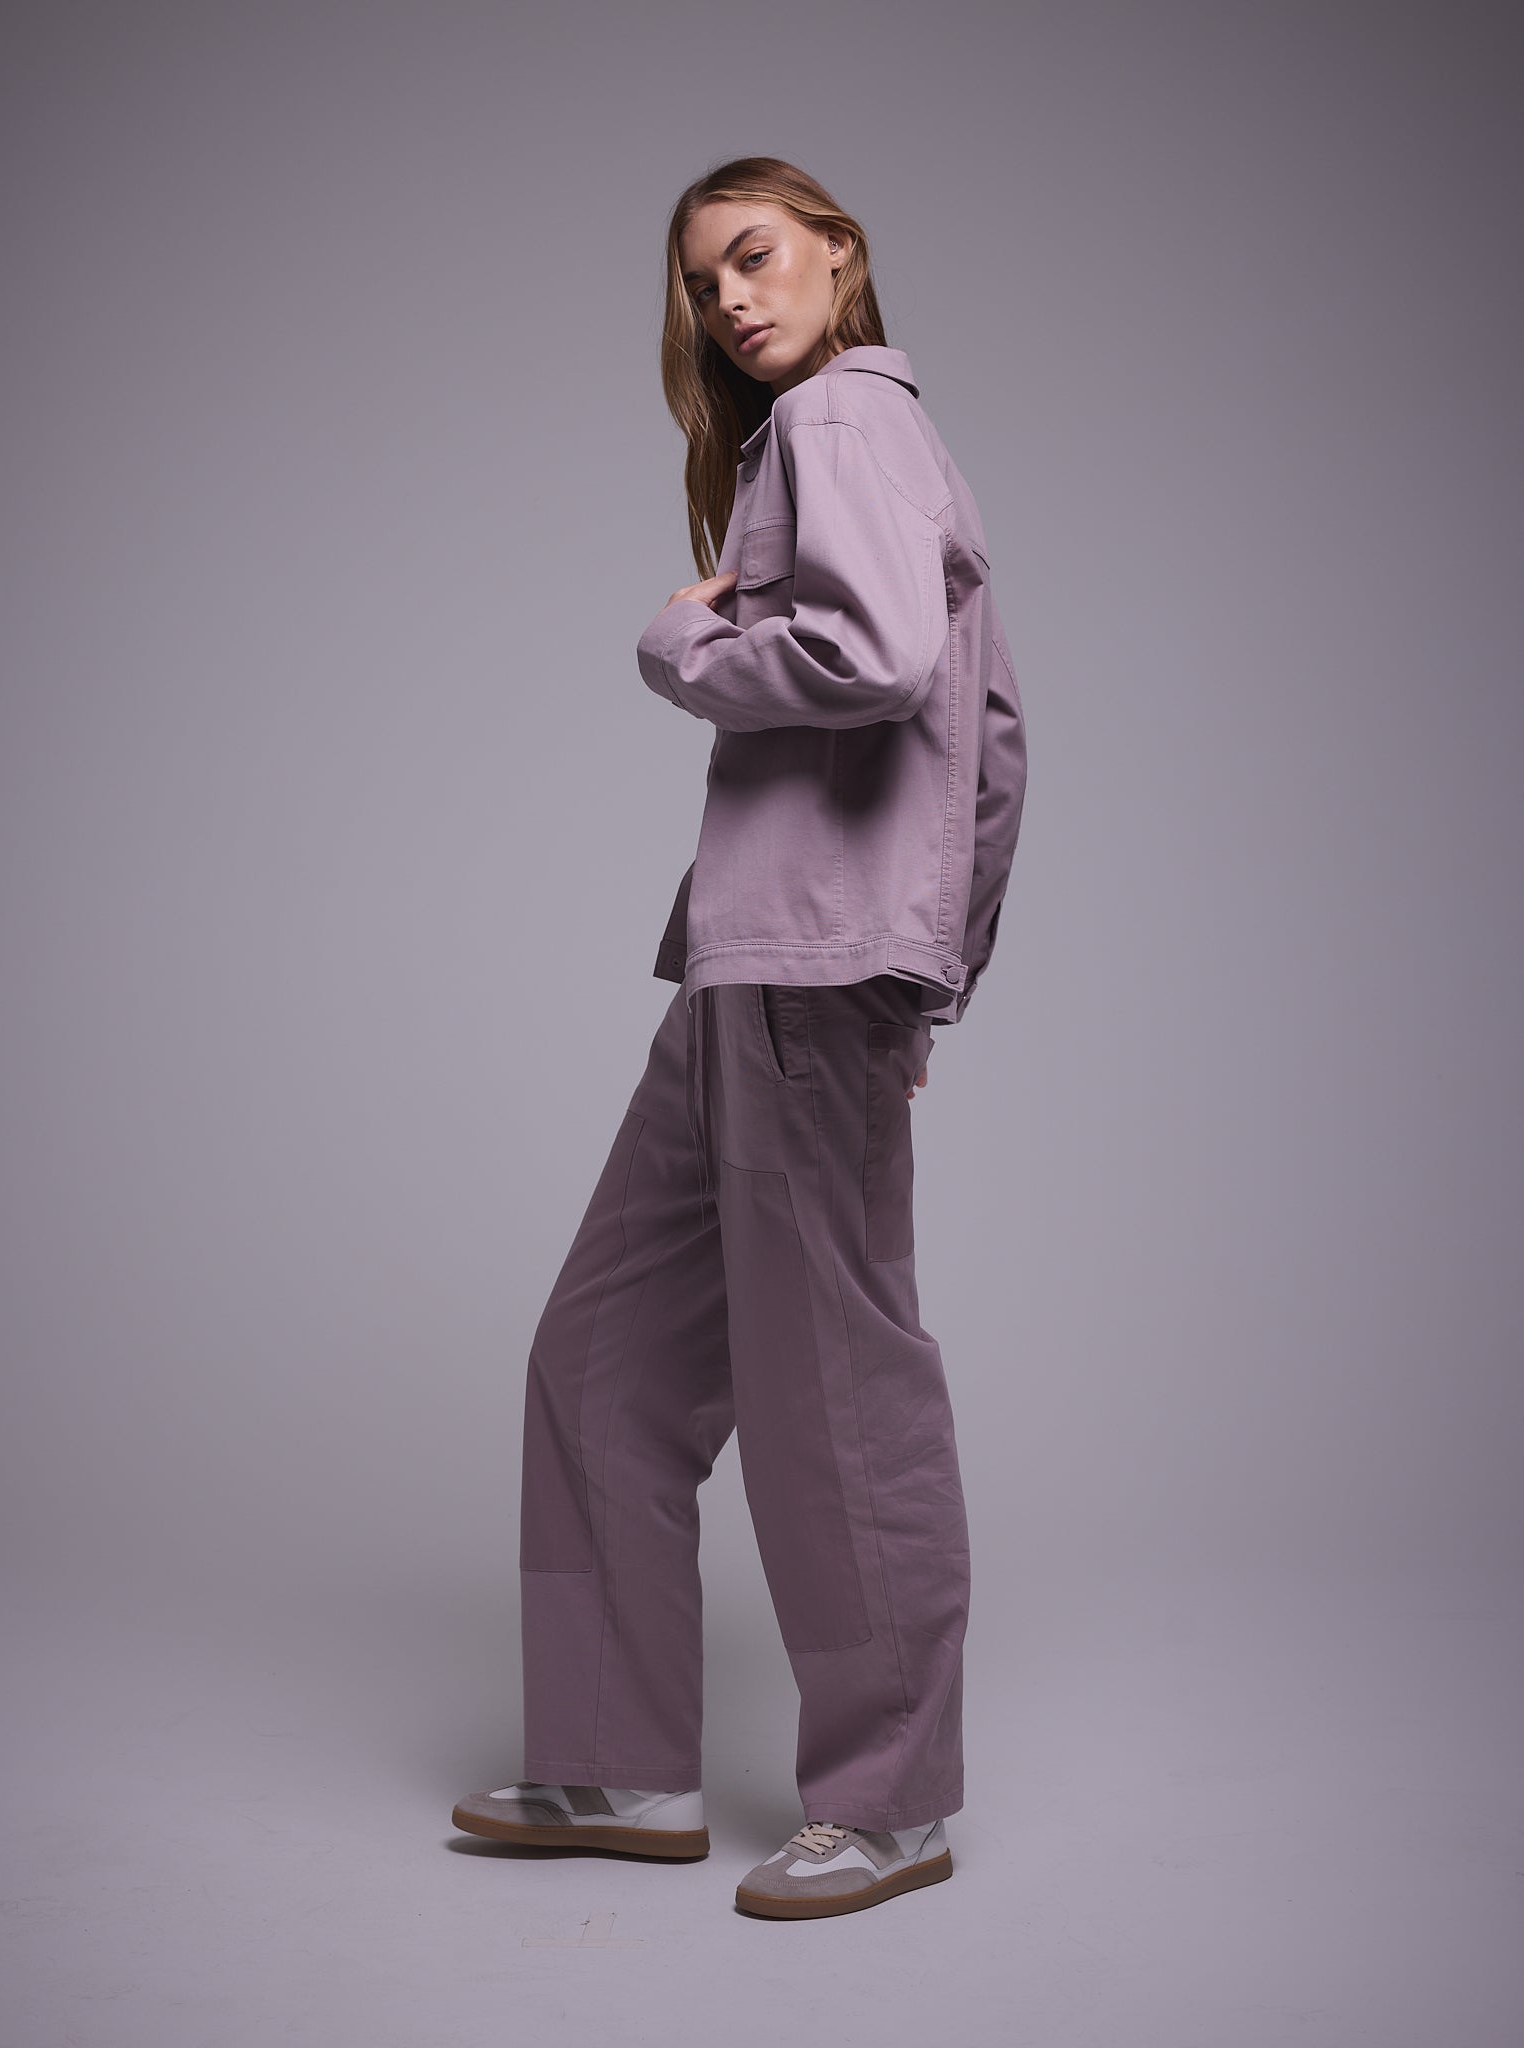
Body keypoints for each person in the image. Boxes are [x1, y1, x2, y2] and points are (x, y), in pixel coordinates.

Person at [453, 156, 1028, 1920]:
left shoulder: (843, 419)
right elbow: (994, 750)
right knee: (604, 1360)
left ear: (839, 254)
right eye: (703, 284)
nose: (729, 301)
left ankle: (891, 1804)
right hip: (750, 974)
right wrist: (931, 969)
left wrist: (677, 649)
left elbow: (877, 656)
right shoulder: (844, 440)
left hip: (801, 976)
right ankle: (619, 1760)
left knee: (832, 1397)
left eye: (755, 257)